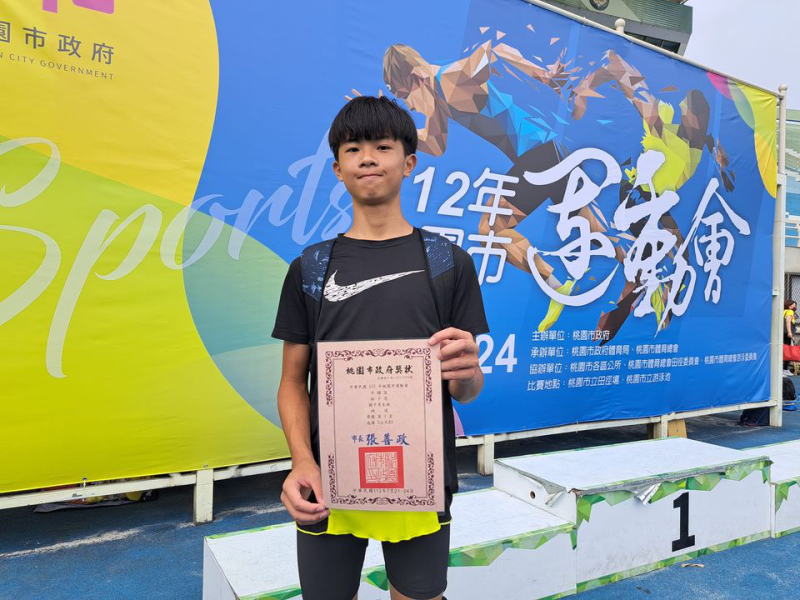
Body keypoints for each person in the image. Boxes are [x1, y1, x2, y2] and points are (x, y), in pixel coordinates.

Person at [272, 96, 489, 600]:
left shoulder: (448, 263)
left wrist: (467, 374)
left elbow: (467, 389)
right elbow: (292, 382)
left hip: (421, 476)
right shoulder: (310, 269)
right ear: (338, 169)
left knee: (419, 595)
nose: (367, 158)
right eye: (353, 149)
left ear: (408, 163)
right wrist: (301, 461)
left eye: (382, 147)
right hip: (328, 479)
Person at [784, 299, 797, 373]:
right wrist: (789, 333)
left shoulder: (784, 311)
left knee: (784, 350)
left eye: (795, 305)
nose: (794, 306)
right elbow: (788, 322)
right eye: (792, 305)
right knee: (787, 351)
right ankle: (785, 369)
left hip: (783, 333)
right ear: (788, 305)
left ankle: (783, 369)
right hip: (787, 334)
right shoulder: (790, 311)